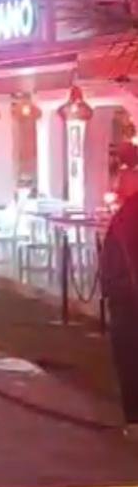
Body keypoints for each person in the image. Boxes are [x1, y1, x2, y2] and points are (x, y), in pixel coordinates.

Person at [102, 164, 138, 429]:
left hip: (125, 295)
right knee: (130, 358)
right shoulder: (129, 215)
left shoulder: (128, 214)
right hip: (127, 296)